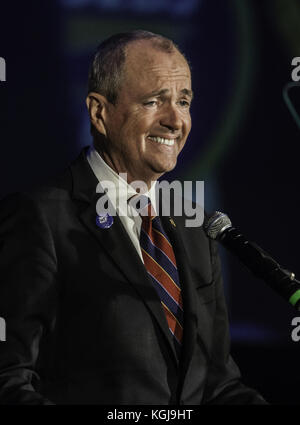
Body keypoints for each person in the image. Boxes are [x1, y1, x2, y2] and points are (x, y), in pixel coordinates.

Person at [0, 30, 267, 405]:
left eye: (184, 101)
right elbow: (9, 380)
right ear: (99, 113)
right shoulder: (38, 218)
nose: (176, 120)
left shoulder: (196, 228)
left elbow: (219, 386)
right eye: (155, 101)